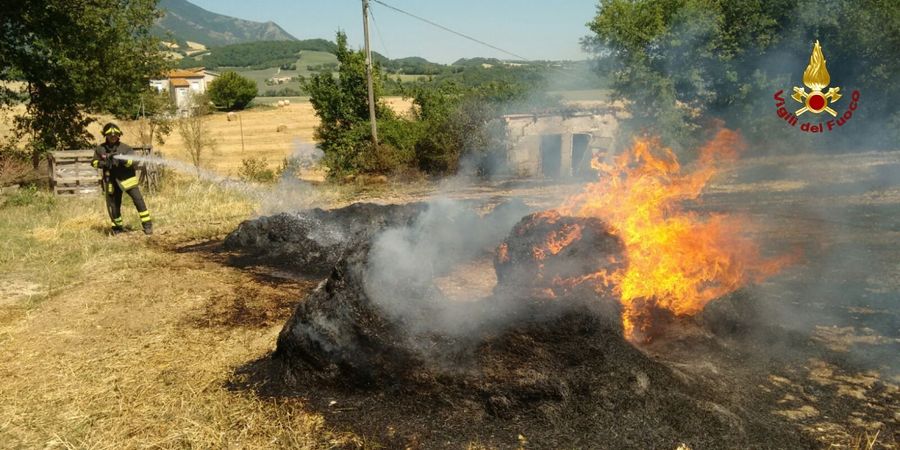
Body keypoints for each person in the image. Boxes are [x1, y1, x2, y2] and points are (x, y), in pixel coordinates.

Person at [91, 123, 153, 235]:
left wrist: (122, 160)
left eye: (115, 135)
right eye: (110, 135)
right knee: (114, 205)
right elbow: (94, 162)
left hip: (127, 179)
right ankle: (117, 228)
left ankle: (147, 226)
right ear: (106, 136)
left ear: (119, 135)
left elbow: (134, 161)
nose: (113, 137)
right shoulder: (100, 149)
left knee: (138, 201)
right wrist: (104, 163)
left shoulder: (125, 148)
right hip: (112, 181)